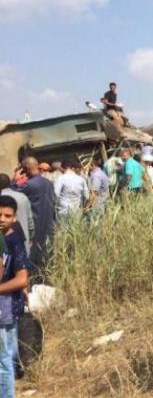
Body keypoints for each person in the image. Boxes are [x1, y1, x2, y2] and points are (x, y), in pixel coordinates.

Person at [0, 195, 34, 398]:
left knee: (3, 361)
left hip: (5, 307)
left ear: (14, 218)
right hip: (9, 306)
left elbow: (21, 279)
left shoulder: (13, 241)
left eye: (7, 215)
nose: (2, 218)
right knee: (8, 355)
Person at [12, 157, 53, 278]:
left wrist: (14, 179)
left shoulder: (29, 185)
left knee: (34, 249)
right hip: (49, 219)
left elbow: (11, 191)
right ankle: (45, 272)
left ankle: (34, 274)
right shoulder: (48, 182)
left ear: (26, 170)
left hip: (36, 220)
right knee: (46, 247)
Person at [0, 174, 33, 249]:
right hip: (23, 241)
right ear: (9, 183)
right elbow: (30, 220)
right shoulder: (22, 197)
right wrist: (31, 237)